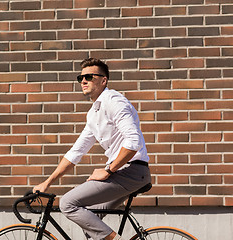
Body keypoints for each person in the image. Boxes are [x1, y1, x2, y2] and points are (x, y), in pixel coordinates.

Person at [33, 58, 151, 240]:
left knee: (68, 203)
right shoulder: (94, 113)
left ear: (103, 80)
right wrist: (47, 182)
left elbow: (133, 142)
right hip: (125, 173)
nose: (83, 81)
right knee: (91, 222)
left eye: (89, 76)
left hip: (131, 171)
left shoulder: (114, 101)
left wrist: (108, 170)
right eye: (80, 77)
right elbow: (76, 152)